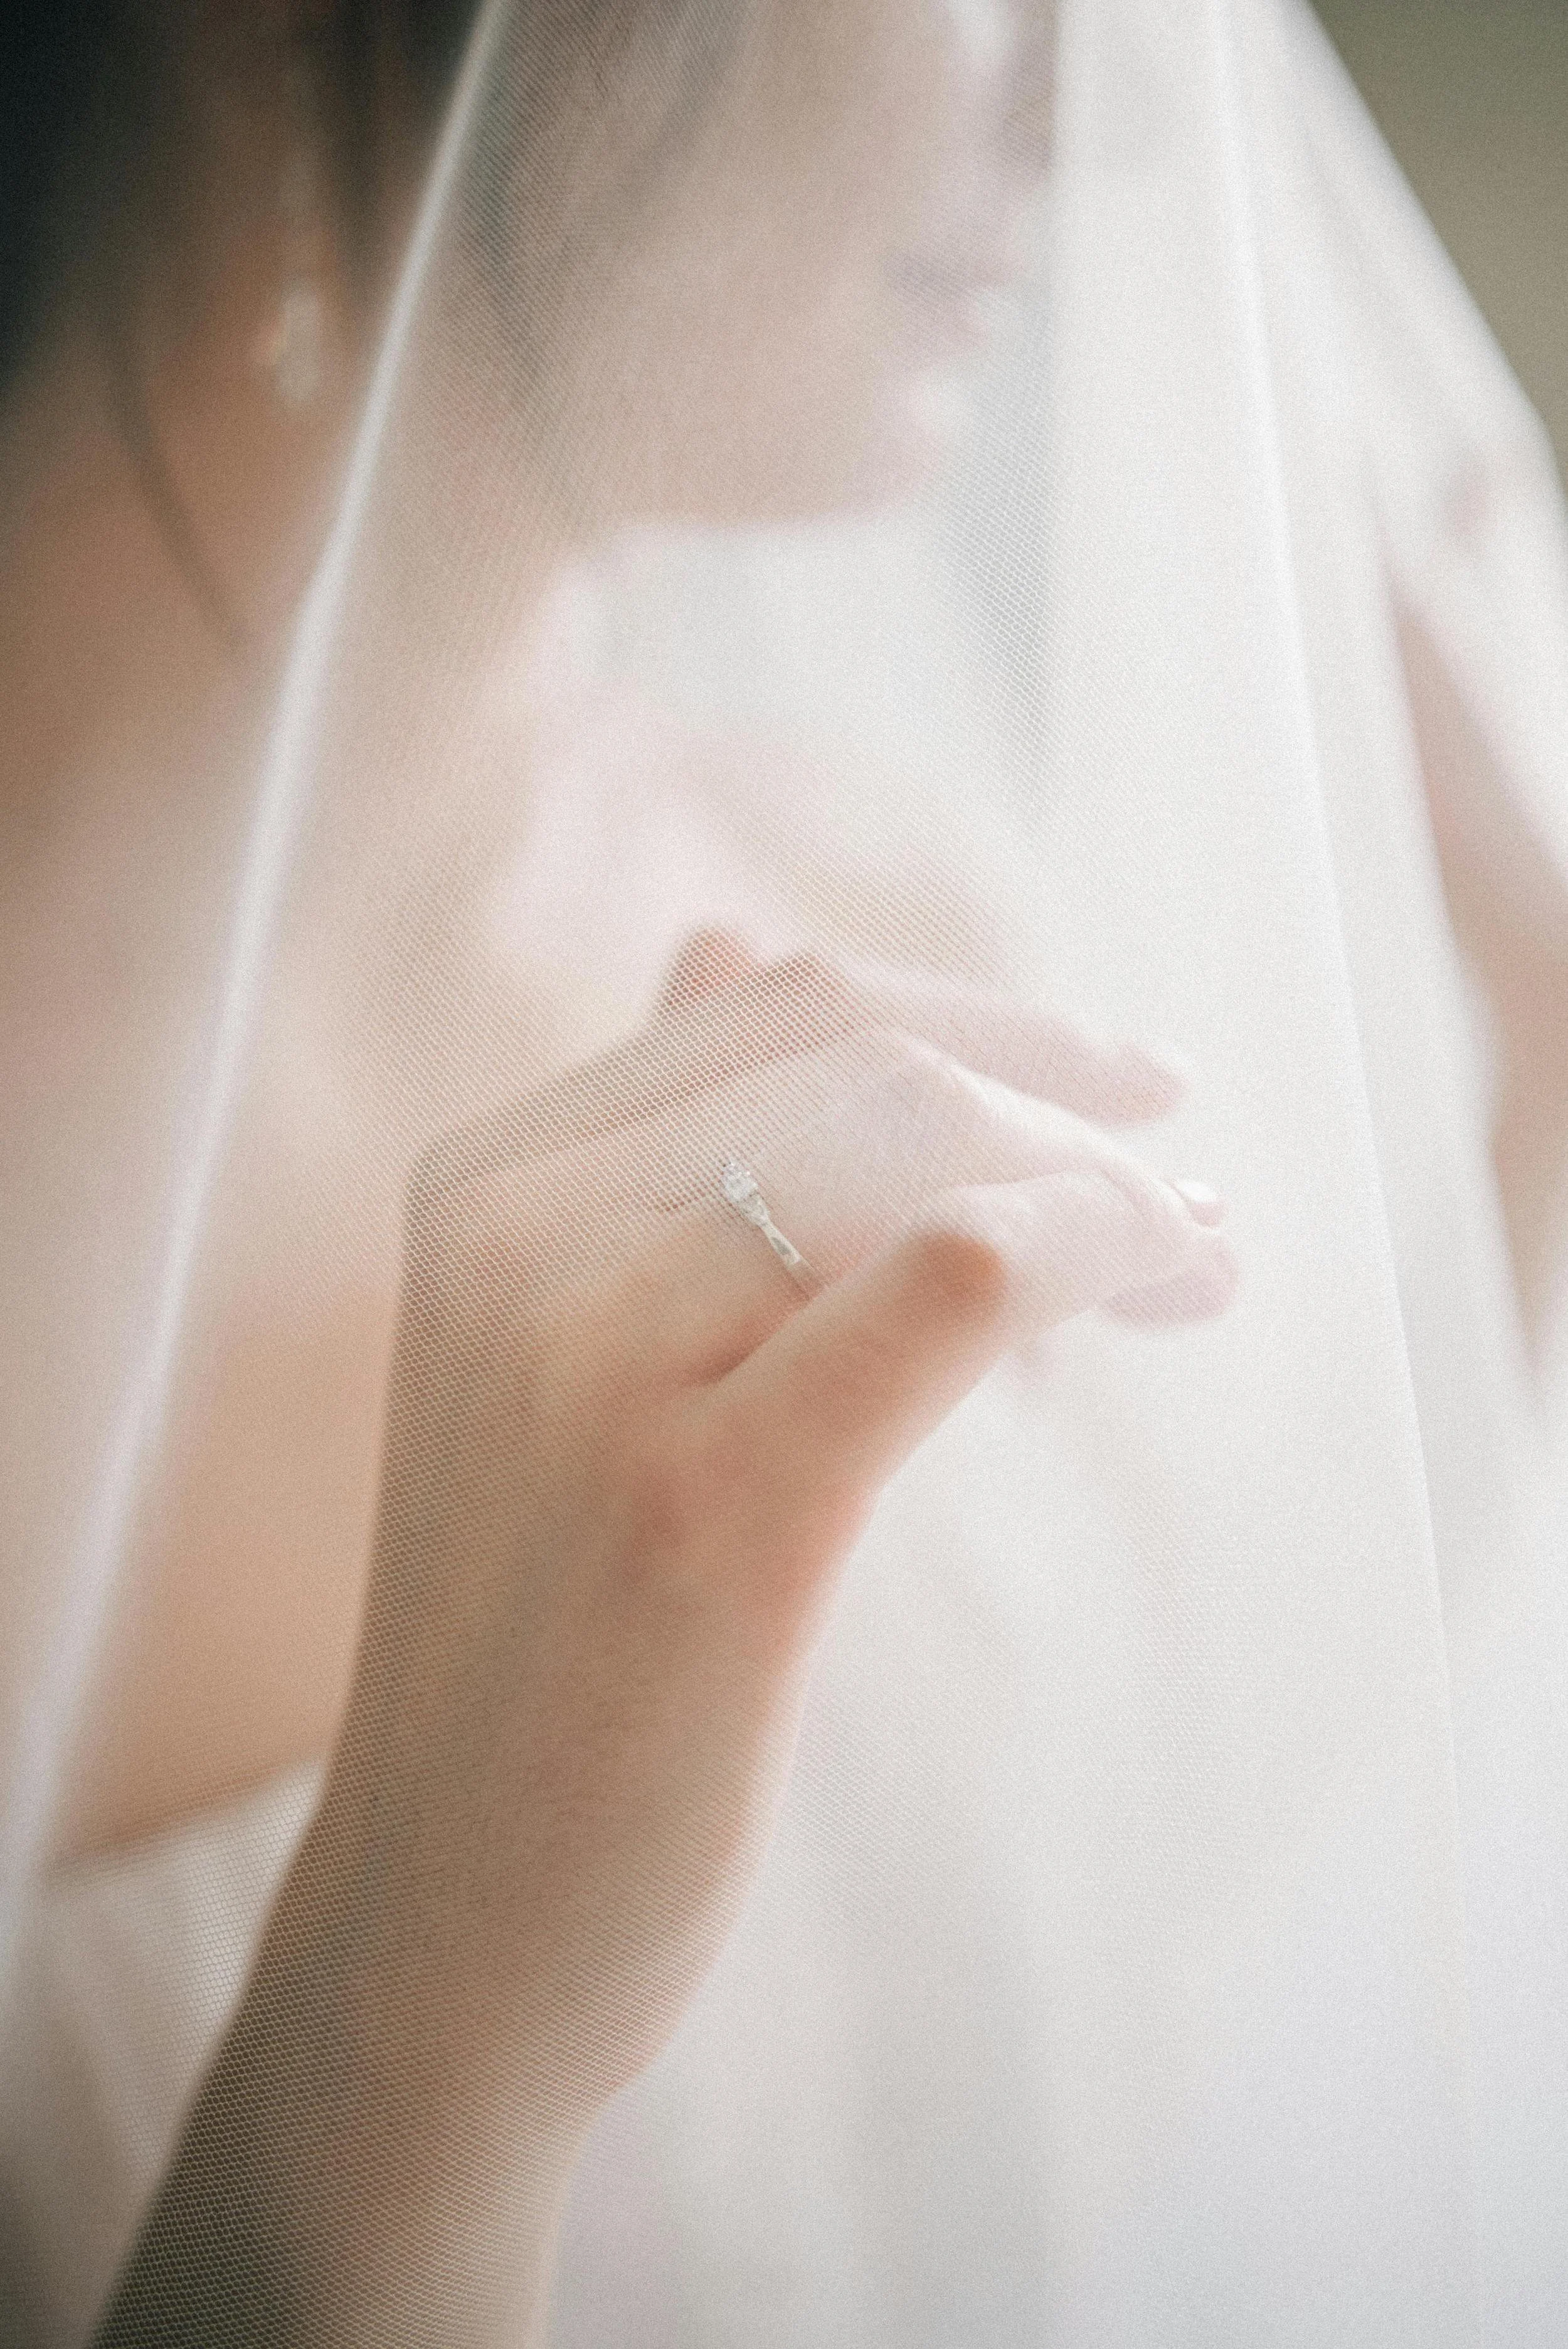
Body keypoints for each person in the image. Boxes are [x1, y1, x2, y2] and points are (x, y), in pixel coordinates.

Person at [1, 1, 1565, 2342]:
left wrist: (1539, 1106)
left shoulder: (900, 920)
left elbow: (1111, 2021)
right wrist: (417, 2019)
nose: (1087, 79)